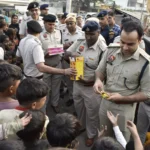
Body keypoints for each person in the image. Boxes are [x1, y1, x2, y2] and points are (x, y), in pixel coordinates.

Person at [93, 21, 150, 142]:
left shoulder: (146, 63)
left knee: (121, 141)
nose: (125, 47)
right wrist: (98, 80)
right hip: (105, 104)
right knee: (103, 137)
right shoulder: (111, 50)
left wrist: (122, 98)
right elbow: (100, 71)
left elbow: (146, 94)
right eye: (122, 42)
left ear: (140, 40)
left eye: (130, 44)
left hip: (125, 110)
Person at [65, 21, 107, 146]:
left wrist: (91, 82)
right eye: (86, 33)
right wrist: (72, 55)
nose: (88, 37)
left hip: (91, 88)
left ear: (98, 33)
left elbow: (105, 72)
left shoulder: (103, 49)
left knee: (92, 113)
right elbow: (67, 53)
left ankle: (91, 135)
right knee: (79, 108)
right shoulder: (81, 40)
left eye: (91, 34)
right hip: (77, 84)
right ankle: (82, 127)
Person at [39, 14, 63, 113]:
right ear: (44, 23)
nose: (52, 26)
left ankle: (55, 104)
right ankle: (44, 106)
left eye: (53, 24)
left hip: (57, 64)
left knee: (56, 87)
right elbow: (38, 51)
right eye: (49, 24)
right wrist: (45, 54)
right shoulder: (39, 34)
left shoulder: (59, 32)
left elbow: (61, 46)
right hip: (45, 66)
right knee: (45, 88)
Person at [62, 16, 84, 107]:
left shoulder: (81, 34)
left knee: (78, 80)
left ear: (75, 23)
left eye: (71, 23)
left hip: (78, 61)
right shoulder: (63, 34)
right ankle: (71, 97)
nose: (69, 25)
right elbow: (61, 46)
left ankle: (78, 100)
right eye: (67, 24)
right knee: (69, 81)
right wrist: (65, 46)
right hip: (66, 60)